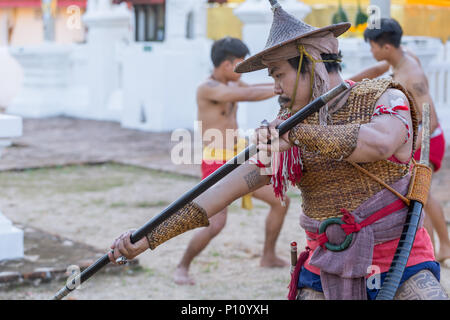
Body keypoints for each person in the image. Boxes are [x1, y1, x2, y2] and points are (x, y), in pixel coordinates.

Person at [108, 1, 449, 300]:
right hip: (326, 265)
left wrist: (300, 134)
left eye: (279, 74)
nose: (275, 88)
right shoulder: (286, 134)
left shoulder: (383, 96)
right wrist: (149, 237)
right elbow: (221, 191)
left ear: (312, 63)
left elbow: (380, 143)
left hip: (400, 260)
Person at [171, 37, 290, 285]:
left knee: (280, 200)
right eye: (240, 63)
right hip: (217, 162)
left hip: (239, 156)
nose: (243, 68)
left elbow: (250, 88)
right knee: (216, 223)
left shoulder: (231, 82)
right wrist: (284, 87)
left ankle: (268, 256)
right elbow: (247, 94)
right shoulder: (208, 88)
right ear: (227, 65)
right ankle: (182, 267)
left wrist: (283, 82)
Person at [350, 18, 450, 265]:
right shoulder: (401, 58)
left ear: (385, 48)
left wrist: (404, 150)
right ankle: (440, 246)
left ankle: (440, 247)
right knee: (418, 195)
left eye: (372, 46)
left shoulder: (411, 74)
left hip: (427, 140)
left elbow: (432, 120)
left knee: (419, 197)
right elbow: (374, 72)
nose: (370, 51)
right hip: (414, 139)